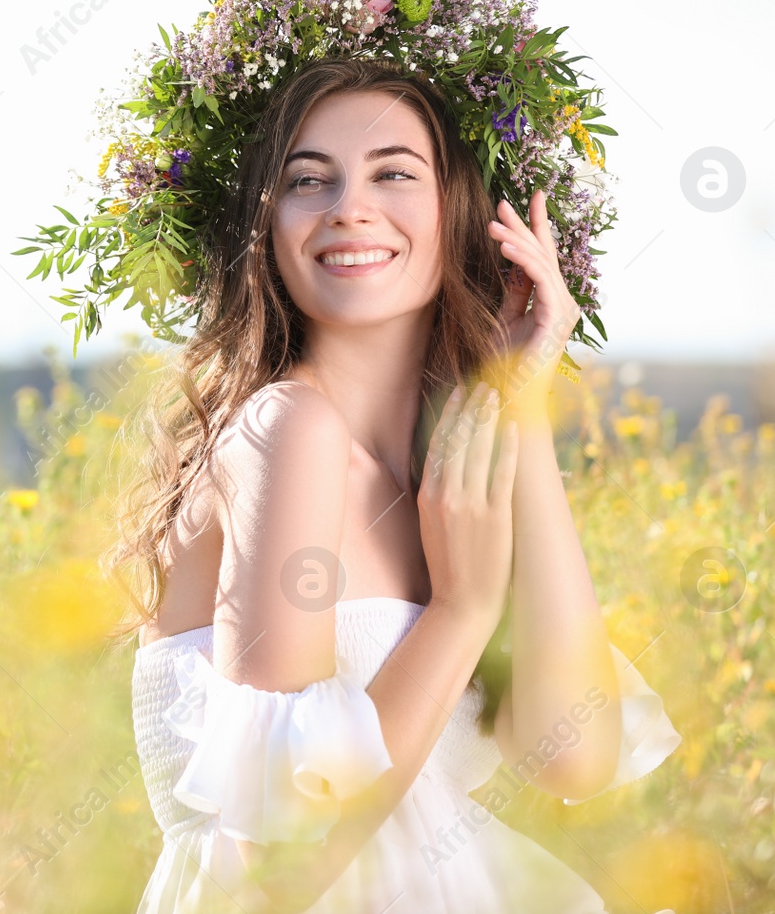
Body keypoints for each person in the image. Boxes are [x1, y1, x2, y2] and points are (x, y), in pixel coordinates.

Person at [116, 58, 681, 913]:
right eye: (310, 180)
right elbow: (271, 872)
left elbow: (575, 753)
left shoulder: (439, 469)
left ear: (464, 216)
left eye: (393, 172)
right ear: (266, 228)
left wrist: (510, 395)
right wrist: (459, 612)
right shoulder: (286, 431)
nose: (350, 205)